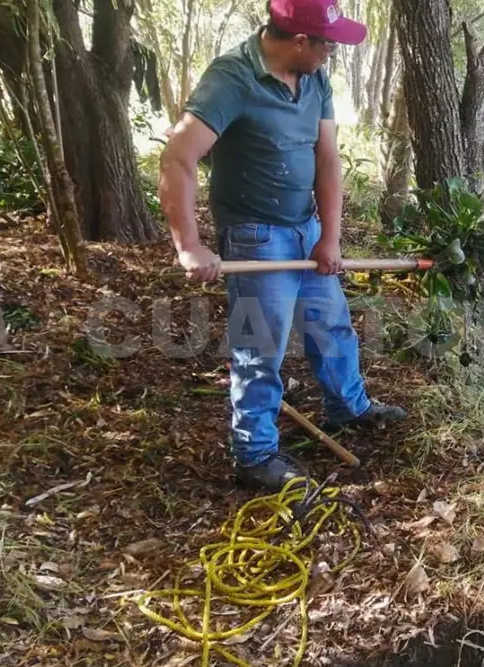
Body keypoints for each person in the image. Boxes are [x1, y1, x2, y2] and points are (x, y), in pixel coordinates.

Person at [158, 0, 405, 491]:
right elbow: (177, 158)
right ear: (298, 41)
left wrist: (329, 238)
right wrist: (189, 245)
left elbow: (327, 159)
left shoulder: (314, 80)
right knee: (259, 346)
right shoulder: (232, 79)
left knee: (330, 324)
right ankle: (254, 454)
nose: (332, 52)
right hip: (255, 236)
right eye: (327, 43)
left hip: (305, 228)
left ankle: (347, 407)